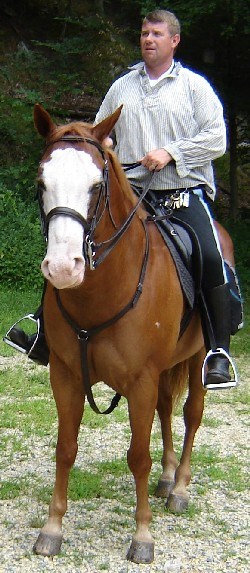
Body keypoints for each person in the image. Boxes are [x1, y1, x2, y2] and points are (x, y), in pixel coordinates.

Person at [6, 9, 238, 389]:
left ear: (174, 41)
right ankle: (43, 329)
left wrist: (171, 152)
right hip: (131, 194)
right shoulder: (122, 87)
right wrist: (103, 145)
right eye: (145, 32)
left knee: (209, 253)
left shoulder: (195, 87)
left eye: (157, 33)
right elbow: (99, 134)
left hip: (182, 192)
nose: (149, 39)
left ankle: (217, 351)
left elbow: (217, 139)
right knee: (75, 240)